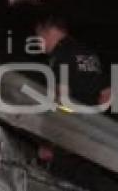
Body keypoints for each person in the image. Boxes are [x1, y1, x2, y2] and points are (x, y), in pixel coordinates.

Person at [34, 12, 111, 164]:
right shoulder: (88, 53)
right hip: (92, 132)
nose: (37, 43)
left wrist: (50, 143)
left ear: (49, 32)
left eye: (38, 37)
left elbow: (61, 101)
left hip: (68, 136)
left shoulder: (59, 56)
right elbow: (106, 94)